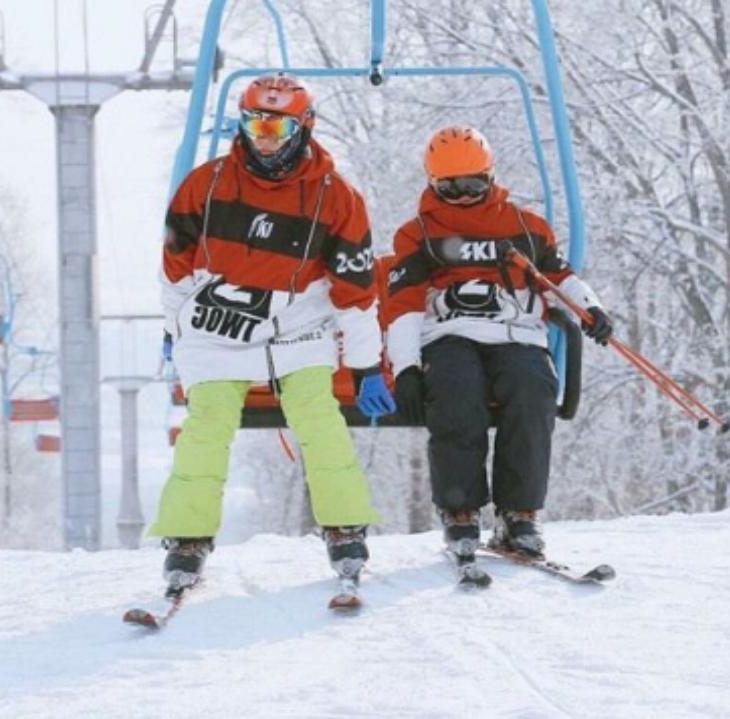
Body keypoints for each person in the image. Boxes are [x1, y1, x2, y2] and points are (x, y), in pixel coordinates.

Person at [151, 74, 395, 597]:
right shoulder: (206, 184)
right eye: (254, 123)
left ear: (302, 127)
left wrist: (367, 365)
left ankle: (345, 527)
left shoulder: (336, 198)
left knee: (319, 419)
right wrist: (174, 330)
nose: (263, 137)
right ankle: (188, 538)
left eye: (275, 126)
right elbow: (175, 267)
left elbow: (355, 292)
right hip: (218, 330)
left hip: (296, 331)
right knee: (206, 426)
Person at [382, 125, 612, 560]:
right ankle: (460, 510)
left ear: (490, 177)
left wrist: (590, 310)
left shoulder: (525, 227)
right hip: (447, 333)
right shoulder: (418, 234)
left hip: (516, 332)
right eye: (450, 188)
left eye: (473, 184)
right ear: (432, 183)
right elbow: (404, 307)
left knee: (533, 387)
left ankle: (519, 514)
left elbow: (558, 278)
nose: (464, 197)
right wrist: (407, 368)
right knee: (454, 387)